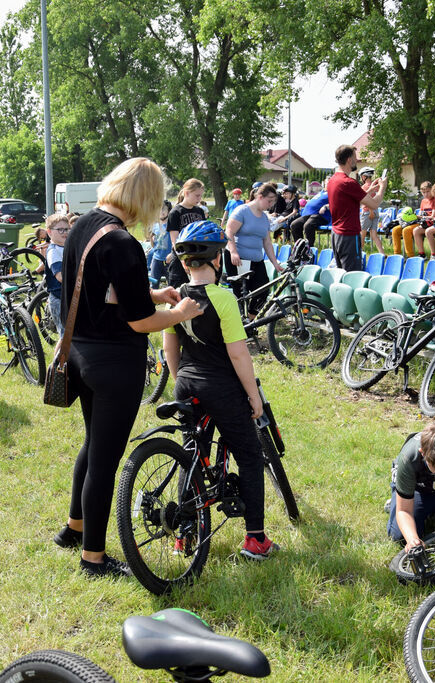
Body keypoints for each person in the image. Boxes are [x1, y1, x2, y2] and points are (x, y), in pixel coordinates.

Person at [53, 157, 204, 578]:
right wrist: (181, 311)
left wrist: (156, 294)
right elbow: (139, 322)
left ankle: (73, 528)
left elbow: (105, 291)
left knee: (92, 446)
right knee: (105, 460)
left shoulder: (83, 224)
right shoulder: (123, 243)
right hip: (114, 362)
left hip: (79, 353)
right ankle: (93, 558)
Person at [163, 220, 279, 560]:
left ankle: (185, 535)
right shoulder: (224, 298)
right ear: (218, 260)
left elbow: (170, 347)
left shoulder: (177, 297)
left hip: (186, 381)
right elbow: (238, 352)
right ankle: (255, 539)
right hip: (221, 385)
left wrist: (178, 381)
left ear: (185, 263)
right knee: (249, 456)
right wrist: (254, 398)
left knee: (191, 456)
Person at [225, 183, 284, 314]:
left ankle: (250, 322)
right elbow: (229, 232)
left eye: (273, 202)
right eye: (269, 201)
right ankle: (241, 322)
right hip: (239, 259)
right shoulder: (242, 211)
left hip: (256, 259)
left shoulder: (264, 217)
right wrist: (234, 252)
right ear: (260, 197)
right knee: (241, 293)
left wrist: (275, 263)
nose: (271, 205)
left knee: (263, 291)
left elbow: (267, 242)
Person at [327, 146, 388, 271]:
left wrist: (370, 189)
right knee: (352, 275)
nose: (357, 160)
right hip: (349, 235)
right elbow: (374, 204)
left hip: (337, 234)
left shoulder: (333, 180)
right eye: (355, 157)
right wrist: (382, 187)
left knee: (341, 273)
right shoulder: (349, 182)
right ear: (349, 160)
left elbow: (352, 200)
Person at [165, 179, 208, 288]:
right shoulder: (175, 212)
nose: (199, 199)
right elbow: (175, 242)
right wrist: (185, 262)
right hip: (180, 260)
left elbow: (203, 235)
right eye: (197, 195)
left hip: (198, 256)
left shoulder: (200, 212)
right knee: (178, 295)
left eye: (201, 196)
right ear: (186, 193)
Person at [43, 212, 70, 335]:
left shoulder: (66, 247)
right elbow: (60, 276)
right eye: (60, 230)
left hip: (69, 297)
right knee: (66, 336)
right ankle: (60, 355)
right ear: (49, 232)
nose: (64, 232)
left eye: (67, 229)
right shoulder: (53, 251)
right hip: (59, 299)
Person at [148, 201, 172, 286]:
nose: (161, 212)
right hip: (156, 259)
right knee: (154, 283)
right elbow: (153, 240)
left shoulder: (171, 225)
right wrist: (152, 240)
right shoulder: (155, 225)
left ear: (168, 211)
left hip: (169, 260)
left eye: (163, 209)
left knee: (171, 284)